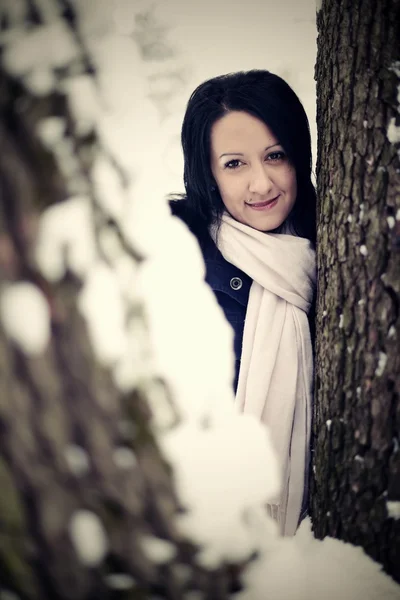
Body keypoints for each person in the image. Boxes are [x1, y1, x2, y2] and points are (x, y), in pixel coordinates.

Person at [169, 70, 317, 537]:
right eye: (234, 164)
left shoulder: (328, 239)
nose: (261, 184)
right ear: (207, 173)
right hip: (208, 526)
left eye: (275, 156)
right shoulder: (174, 256)